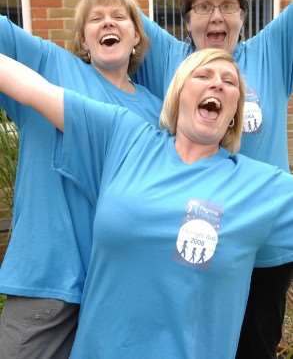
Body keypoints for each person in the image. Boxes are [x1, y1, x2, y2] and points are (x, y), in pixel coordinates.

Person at [32, 0, 293, 357]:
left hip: (263, 242)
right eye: (203, 6)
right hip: (198, 239)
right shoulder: (171, 60)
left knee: (255, 346)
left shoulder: (270, 50)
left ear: (243, 17)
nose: (216, 16)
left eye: (227, 6)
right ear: (186, 19)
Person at [0, 47, 292, 359]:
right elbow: (32, 89)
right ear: (178, 94)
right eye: (203, 75)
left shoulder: (260, 188)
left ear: (235, 110)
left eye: (230, 82)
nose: (217, 84)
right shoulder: (124, 138)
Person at [0, 0, 161, 358]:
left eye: (120, 17)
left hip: (117, 288)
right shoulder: (50, 65)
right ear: (84, 40)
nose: (108, 21)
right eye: (95, 18)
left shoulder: (157, 113)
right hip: (45, 278)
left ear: (136, 37)